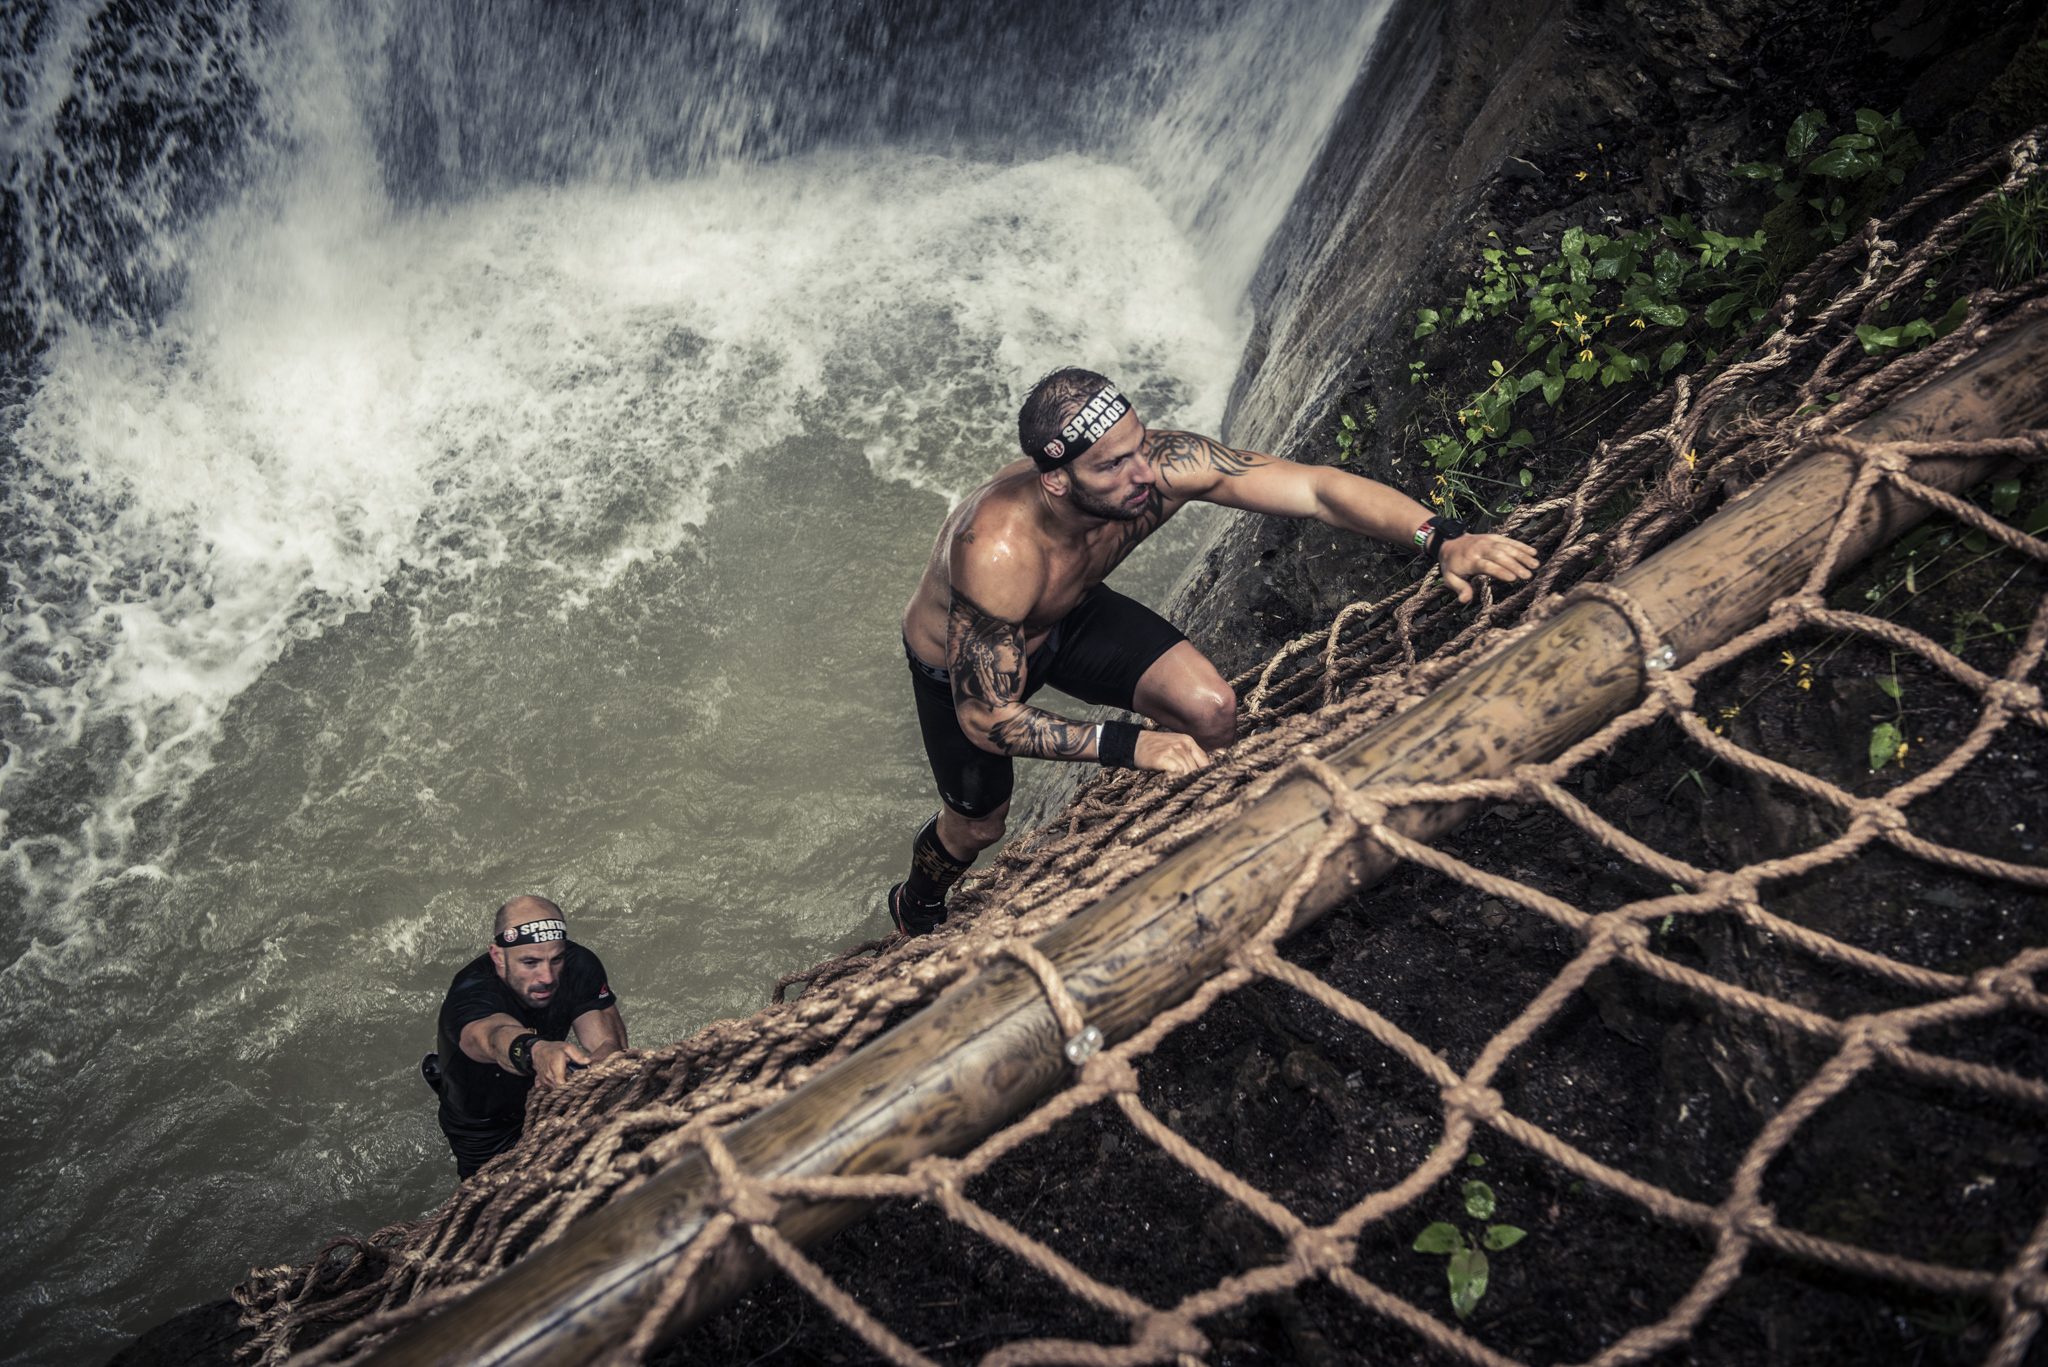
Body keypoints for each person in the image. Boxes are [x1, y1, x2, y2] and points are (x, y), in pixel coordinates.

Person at [887, 367, 1542, 934]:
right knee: (978, 826)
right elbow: (987, 718)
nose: (1142, 475)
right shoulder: (997, 549)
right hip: (963, 675)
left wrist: (1441, 539)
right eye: (1112, 466)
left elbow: (1315, 490)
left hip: (1069, 615)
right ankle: (916, 900)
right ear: (1057, 481)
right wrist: (1129, 744)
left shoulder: (1164, 467)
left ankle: (1211, 855)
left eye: (1139, 447)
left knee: (1212, 709)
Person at [421, 895, 626, 1179]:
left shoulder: (578, 965)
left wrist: (589, 1072)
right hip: (486, 1127)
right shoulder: (470, 994)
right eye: (530, 962)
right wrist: (537, 1052)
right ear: (497, 957)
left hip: (550, 1099)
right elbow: (494, 1037)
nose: (547, 977)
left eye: (556, 959)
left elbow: (611, 1046)